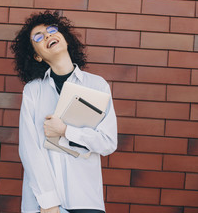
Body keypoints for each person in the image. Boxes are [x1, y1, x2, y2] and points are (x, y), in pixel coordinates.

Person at [11, 11, 118, 213]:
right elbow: (29, 150)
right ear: (37, 55)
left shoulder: (97, 85)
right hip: (42, 204)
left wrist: (66, 131)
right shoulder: (33, 91)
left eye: (51, 30)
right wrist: (48, 201)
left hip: (85, 199)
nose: (48, 36)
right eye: (38, 37)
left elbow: (108, 142)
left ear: (65, 38)